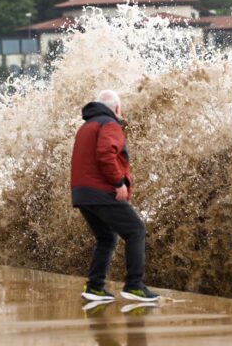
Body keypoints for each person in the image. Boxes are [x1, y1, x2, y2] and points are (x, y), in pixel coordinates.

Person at [71, 89, 160, 303]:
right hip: (101, 191)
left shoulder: (86, 126)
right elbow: (105, 154)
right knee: (136, 230)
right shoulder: (109, 124)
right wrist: (118, 182)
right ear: (117, 109)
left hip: (82, 193)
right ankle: (134, 285)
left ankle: (94, 287)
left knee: (107, 237)